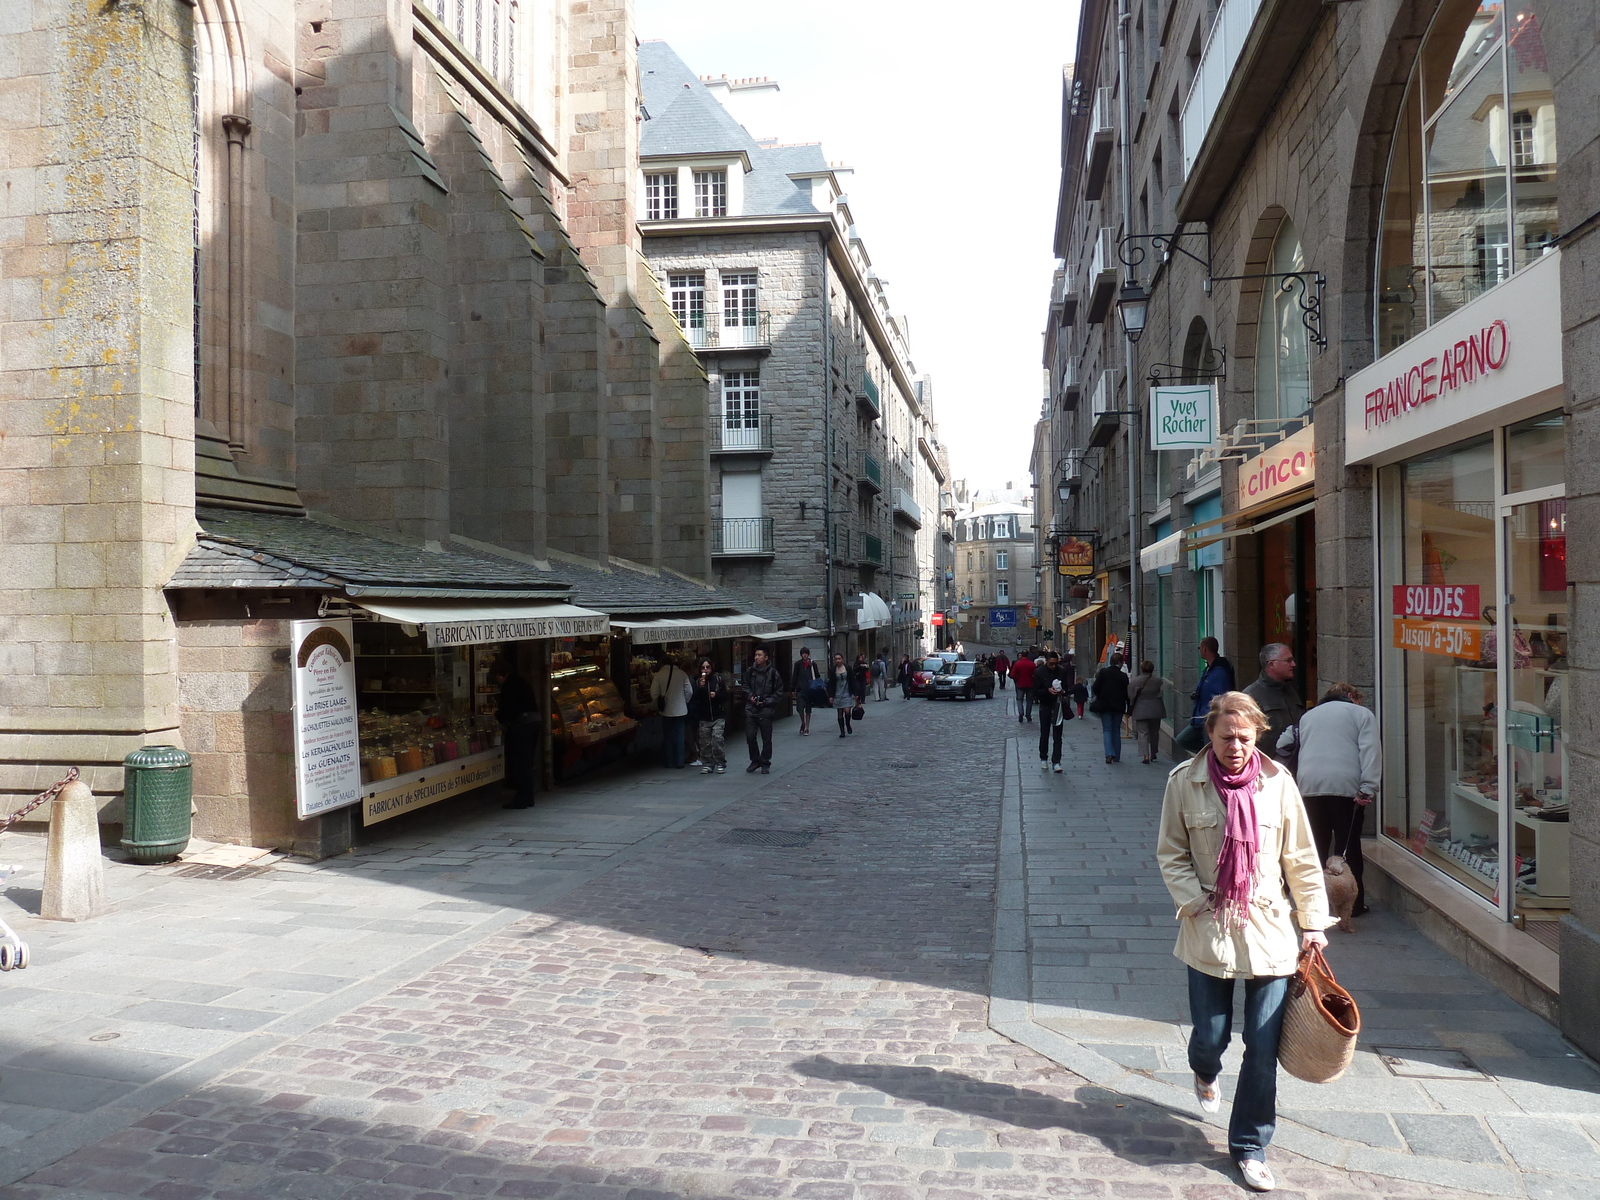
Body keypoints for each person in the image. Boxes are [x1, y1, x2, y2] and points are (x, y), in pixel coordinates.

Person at [1156, 691, 1334, 1194]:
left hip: (1270, 928)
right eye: (1226, 736)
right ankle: (1204, 1070)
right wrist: (1194, 901)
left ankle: (1250, 1145)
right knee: (1211, 1037)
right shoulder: (1184, 784)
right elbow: (1171, 852)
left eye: (1245, 736)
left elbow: (1300, 857)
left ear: (1258, 735)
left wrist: (1313, 921)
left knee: (1262, 1045)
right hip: (1209, 925)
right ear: (1209, 735)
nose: (1235, 746)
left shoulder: (1279, 784)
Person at [1279, 682, 1380, 917]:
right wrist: (1368, 787)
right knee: (1348, 846)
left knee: (1315, 846)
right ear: (1349, 696)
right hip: (1346, 787)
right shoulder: (1362, 714)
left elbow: (1283, 742)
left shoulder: (1308, 716)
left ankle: (1314, 903)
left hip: (1309, 785)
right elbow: (1371, 751)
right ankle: (1354, 905)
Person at [496, 650, 542, 809]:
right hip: (535, 721)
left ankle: (522, 798)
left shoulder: (509, 686)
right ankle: (528, 797)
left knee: (521, 762)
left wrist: (498, 716)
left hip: (523, 725)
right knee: (527, 762)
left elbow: (509, 709)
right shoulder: (521, 681)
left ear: (501, 675)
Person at [1244, 643, 1303, 761]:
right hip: (1268, 769)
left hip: (1296, 766)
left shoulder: (1290, 691)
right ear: (1271, 664)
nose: (1294, 664)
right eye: (1288, 660)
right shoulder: (1251, 696)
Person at [1181, 637, 1237, 752]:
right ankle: (1206, 755)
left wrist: (1211, 716)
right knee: (1182, 740)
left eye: (1199, 648)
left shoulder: (1219, 672)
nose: (1199, 650)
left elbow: (1222, 698)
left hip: (1209, 719)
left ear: (1204, 649)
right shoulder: (1209, 668)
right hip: (1200, 718)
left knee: (1210, 749)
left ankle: (1209, 759)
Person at [742, 647, 782, 774]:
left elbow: (779, 692)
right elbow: (744, 686)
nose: (756, 657)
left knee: (766, 738)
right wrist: (750, 696)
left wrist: (767, 701)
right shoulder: (749, 672)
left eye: (759, 655)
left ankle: (765, 761)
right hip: (751, 709)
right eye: (755, 655)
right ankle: (755, 760)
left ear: (766, 657)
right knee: (750, 736)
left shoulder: (773, 673)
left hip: (766, 710)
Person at [1033, 651, 1074, 771]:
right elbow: (1035, 691)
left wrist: (1062, 691)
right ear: (1046, 661)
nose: (1054, 666)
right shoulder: (1039, 672)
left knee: (1058, 735)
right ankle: (1043, 758)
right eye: (1051, 664)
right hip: (1045, 705)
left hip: (1058, 705)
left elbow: (1066, 688)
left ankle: (1056, 761)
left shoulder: (1061, 671)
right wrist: (1047, 691)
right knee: (1044, 733)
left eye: (1055, 663)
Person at [649, 656, 692, 769]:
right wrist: (684, 701)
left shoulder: (658, 675)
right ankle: (680, 761)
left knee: (668, 736)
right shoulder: (682, 674)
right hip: (681, 709)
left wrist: (659, 701)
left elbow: (653, 694)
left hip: (666, 710)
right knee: (680, 735)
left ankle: (669, 761)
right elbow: (689, 691)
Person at [687, 658, 728, 775]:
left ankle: (720, 763)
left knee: (717, 740)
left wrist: (717, 695)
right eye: (703, 668)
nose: (705, 670)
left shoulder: (719, 680)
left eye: (707, 667)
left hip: (717, 715)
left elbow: (725, 696)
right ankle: (708, 763)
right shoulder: (697, 682)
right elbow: (694, 698)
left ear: (712, 668)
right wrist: (700, 688)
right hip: (704, 716)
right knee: (704, 742)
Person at [1091, 654, 1132, 763]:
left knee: (1107, 729)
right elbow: (1127, 693)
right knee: (1116, 730)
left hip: (1105, 705)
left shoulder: (1103, 673)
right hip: (1119, 706)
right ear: (1120, 662)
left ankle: (1109, 753)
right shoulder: (1123, 676)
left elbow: (1095, 687)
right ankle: (1117, 755)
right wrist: (1129, 706)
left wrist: (1100, 695)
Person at [1129, 659, 1169, 764]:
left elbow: (1131, 695)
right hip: (1156, 708)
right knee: (1154, 732)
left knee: (1143, 733)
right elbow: (1162, 690)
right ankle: (1153, 752)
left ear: (1141, 669)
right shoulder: (1158, 681)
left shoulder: (1135, 681)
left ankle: (1145, 755)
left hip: (1140, 708)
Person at [790, 647, 820, 736]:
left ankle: (807, 727)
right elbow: (794, 676)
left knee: (808, 709)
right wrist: (793, 689)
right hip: (800, 689)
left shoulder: (813, 663)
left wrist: (812, 668)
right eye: (803, 653)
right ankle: (802, 722)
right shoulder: (798, 664)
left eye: (806, 653)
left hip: (810, 690)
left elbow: (817, 675)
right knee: (800, 708)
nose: (805, 655)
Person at [829, 653, 858, 737]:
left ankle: (848, 724)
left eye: (839, 658)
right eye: (836, 659)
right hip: (837, 693)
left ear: (842, 659)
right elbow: (831, 683)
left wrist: (855, 693)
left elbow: (852, 680)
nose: (838, 660)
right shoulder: (833, 670)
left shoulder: (848, 668)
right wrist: (831, 696)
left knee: (847, 711)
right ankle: (842, 731)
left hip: (847, 692)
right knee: (840, 712)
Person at [1010, 649, 1037, 722]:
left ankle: (1021, 712)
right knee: (1029, 700)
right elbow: (1036, 675)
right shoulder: (1032, 664)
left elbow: (1012, 674)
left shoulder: (1017, 664)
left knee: (1019, 699)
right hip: (1030, 684)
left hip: (1020, 684)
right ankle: (1028, 715)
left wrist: (1017, 679)